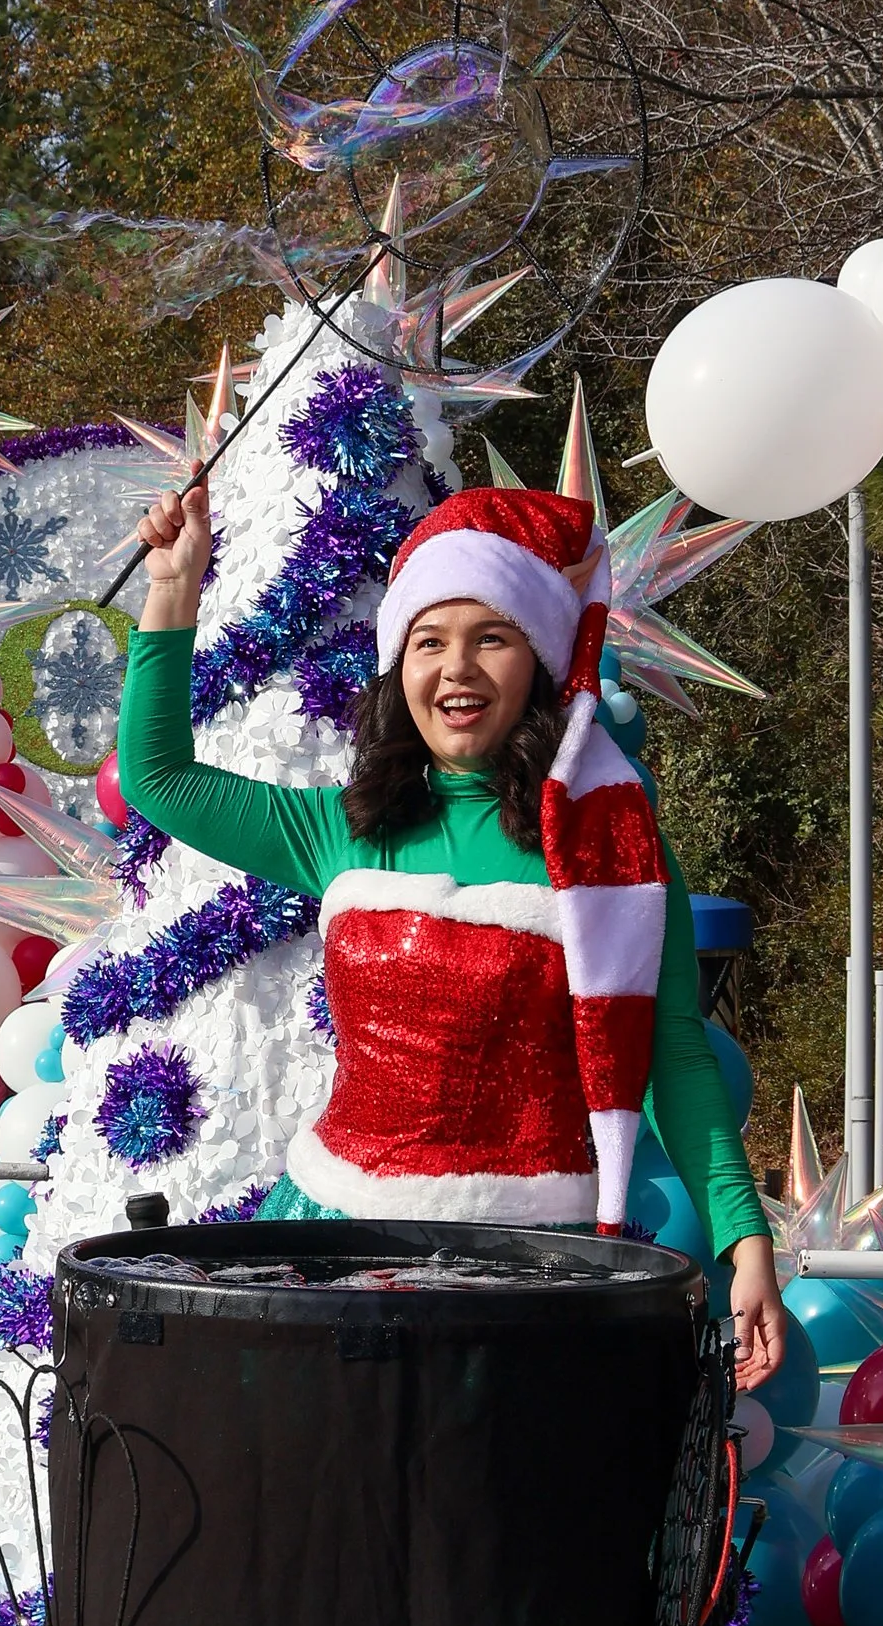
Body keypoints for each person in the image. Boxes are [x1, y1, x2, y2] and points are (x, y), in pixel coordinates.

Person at [125, 470, 786, 1389]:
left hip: (526, 1276)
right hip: (335, 1253)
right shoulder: (343, 828)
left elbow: (673, 1053)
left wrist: (744, 1238)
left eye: (493, 639)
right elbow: (158, 778)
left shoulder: (614, 855)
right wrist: (172, 587)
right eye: (429, 640)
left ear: (544, 660)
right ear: (401, 665)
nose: (457, 667)